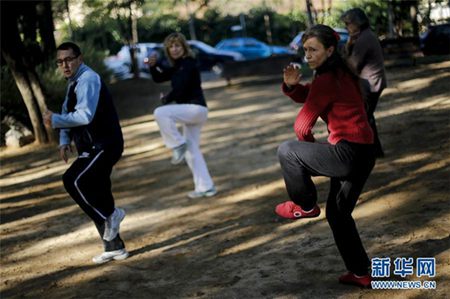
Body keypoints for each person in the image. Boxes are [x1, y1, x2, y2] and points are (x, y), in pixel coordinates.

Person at [275, 25, 375, 288]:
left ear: (330, 50)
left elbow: (302, 127)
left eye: (313, 49)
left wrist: (310, 156)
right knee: (339, 215)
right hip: (364, 153)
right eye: (305, 49)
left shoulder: (327, 78)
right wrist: (292, 87)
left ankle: (305, 205)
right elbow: (314, 97)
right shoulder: (341, 72)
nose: (307, 54)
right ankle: (360, 272)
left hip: (346, 153)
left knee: (287, 150)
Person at [43, 42, 128, 264]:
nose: (65, 65)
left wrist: (54, 121)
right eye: (60, 62)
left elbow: (84, 116)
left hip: (104, 144)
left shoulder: (88, 78)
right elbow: (66, 110)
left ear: (80, 58)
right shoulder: (73, 82)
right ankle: (114, 247)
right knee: (98, 191)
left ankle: (111, 217)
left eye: (69, 59)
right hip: (91, 146)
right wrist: (63, 141)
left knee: (73, 180)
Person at [147, 32, 216, 199]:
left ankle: (177, 144)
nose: (174, 49)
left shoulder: (188, 63)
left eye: (177, 45)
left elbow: (181, 88)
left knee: (160, 113)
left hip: (195, 109)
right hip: (191, 111)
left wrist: (166, 99)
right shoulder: (177, 66)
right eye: (171, 47)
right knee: (192, 151)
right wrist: (153, 66)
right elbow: (159, 77)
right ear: (168, 50)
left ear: (184, 47)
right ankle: (206, 187)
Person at [341, 8, 387, 158]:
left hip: (370, 84)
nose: (346, 27)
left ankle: (370, 152)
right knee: (367, 116)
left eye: (348, 24)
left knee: (364, 117)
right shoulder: (364, 36)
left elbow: (352, 65)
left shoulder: (364, 39)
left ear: (356, 23)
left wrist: (341, 59)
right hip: (372, 82)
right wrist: (349, 43)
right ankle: (375, 150)